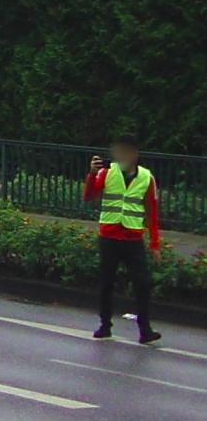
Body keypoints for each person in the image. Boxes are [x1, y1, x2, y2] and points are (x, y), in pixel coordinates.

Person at [85, 136, 163, 344]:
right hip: (109, 236)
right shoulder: (107, 173)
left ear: (135, 154)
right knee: (106, 283)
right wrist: (92, 175)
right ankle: (104, 326)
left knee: (143, 283)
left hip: (133, 238)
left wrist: (155, 243)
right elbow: (90, 196)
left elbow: (152, 212)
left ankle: (145, 330)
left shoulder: (147, 177)